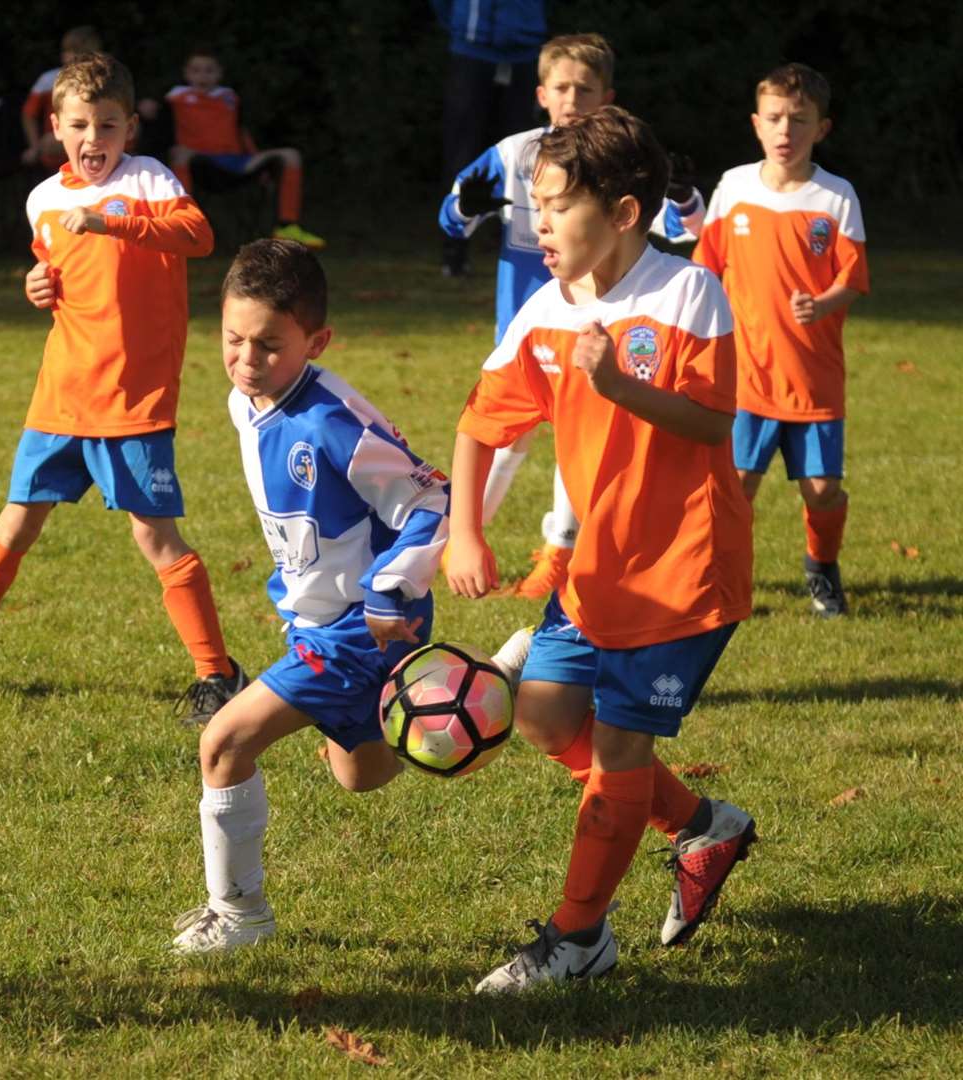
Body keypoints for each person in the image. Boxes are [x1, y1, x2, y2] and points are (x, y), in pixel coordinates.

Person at [445, 107, 757, 993]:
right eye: (533, 207)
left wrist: (618, 383)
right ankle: (704, 825)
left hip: (682, 572)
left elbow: (710, 420)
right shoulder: (547, 309)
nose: (536, 225)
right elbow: (479, 425)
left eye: (554, 207)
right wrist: (467, 529)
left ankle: (579, 938)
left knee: (617, 755)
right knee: (544, 718)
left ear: (623, 213)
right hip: (597, 571)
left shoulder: (687, 293)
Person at [170, 238, 514, 954]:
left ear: (316, 341)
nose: (245, 360)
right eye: (232, 339)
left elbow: (432, 503)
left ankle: (240, 915)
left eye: (269, 345)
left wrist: (391, 587)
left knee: (224, 743)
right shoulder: (248, 399)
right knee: (363, 775)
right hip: (318, 620)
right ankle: (475, 686)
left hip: (360, 627)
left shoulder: (334, 423)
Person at [0, 53, 245, 727]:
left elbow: (199, 235)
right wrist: (34, 286)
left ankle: (216, 675)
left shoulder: (151, 180)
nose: (94, 139)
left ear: (130, 129)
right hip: (62, 396)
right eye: (81, 125)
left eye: (108, 125)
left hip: (134, 401)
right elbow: (55, 273)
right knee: (15, 527)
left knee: (155, 536)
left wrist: (114, 221)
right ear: (56, 127)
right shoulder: (43, 200)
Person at [440, 33, 708, 601]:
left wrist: (684, 200)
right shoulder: (514, 156)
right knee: (503, 443)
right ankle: (459, 539)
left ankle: (559, 553)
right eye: (561, 87)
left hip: (600, 337)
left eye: (585, 88)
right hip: (526, 333)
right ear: (541, 94)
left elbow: (683, 234)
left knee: (577, 445)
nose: (572, 98)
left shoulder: (616, 166)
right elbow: (450, 219)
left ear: (607, 96)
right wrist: (466, 206)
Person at [694, 63, 868, 617]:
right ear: (756, 123)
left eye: (799, 119)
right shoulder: (734, 188)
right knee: (738, 486)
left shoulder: (836, 197)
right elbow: (706, 268)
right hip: (746, 376)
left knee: (821, 491)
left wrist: (822, 303)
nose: (785, 130)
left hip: (814, 378)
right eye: (774, 118)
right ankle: (726, 579)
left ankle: (822, 567)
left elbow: (853, 278)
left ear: (822, 128)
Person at [161, 45, 326, 250]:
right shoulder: (173, 98)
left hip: (235, 161)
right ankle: (183, 224)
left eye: (209, 70)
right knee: (179, 154)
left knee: (290, 155)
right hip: (200, 162)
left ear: (219, 73)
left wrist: (256, 158)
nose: (202, 76)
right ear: (186, 74)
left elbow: (242, 131)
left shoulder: (230, 98)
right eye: (196, 70)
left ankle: (286, 225)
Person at [433, 0, 546, 279]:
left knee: (529, 155)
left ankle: (526, 243)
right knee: (463, 154)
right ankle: (454, 252)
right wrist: (463, 30)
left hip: (525, 52)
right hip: (471, 51)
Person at [21, 26, 105, 175]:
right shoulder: (49, 81)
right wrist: (34, 146)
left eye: (81, 53)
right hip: (60, 140)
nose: (73, 57)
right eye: (69, 51)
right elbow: (28, 114)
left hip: (97, 137)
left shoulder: (106, 80)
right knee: (51, 142)